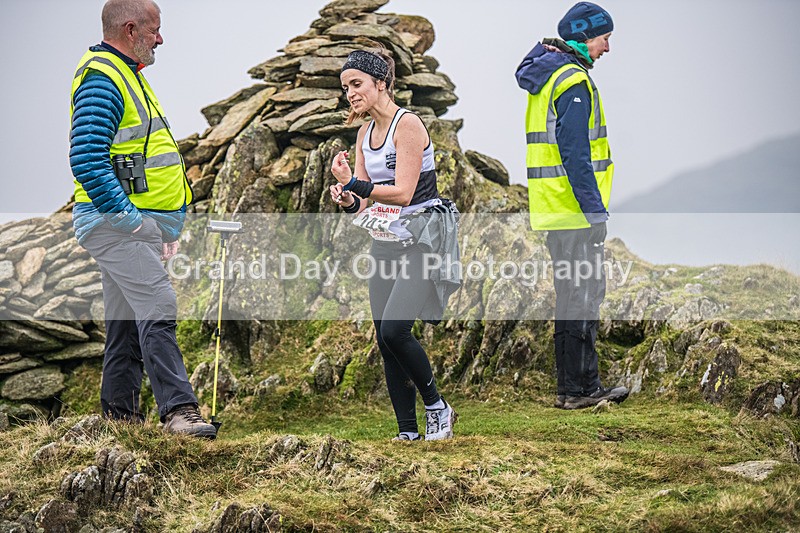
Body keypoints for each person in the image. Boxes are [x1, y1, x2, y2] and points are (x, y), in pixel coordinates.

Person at [69, 0, 216, 437]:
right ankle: (179, 412)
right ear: (130, 28)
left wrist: (160, 227)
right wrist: (135, 224)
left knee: (125, 324)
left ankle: (119, 420)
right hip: (115, 225)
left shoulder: (124, 73)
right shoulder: (102, 78)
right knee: (158, 302)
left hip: (128, 225)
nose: (160, 38)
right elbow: (87, 160)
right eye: (155, 29)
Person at [329, 48, 459, 441]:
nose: (350, 93)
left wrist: (354, 182)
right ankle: (408, 431)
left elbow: (403, 193)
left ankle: (438, 406)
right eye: (345, 87)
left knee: (395, 330)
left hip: (423, 238)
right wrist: (348, 197)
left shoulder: (409, 126)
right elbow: (366, 204)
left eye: (357, 84)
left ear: (380, 83)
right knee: (384, 341)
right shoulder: (364, 133)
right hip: (386, 241)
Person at [516, 2, 629, 410]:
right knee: (583, 297)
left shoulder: (549, 74)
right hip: (576, 211)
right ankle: (582, 390)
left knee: (570, 297)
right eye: (605, 39)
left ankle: (571, 390)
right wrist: (595, 212)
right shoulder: (573, 81)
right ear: (584, 37)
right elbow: (576, 154)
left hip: (555, 210)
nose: (607, 48)